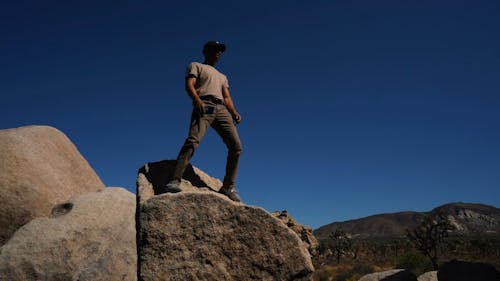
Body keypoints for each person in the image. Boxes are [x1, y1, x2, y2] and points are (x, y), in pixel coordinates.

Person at [165, 41, 243, 202]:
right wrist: (197, 100)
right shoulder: (195, 65)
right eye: (215, 50)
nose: (218, 53)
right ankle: (175, 180)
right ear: (206, 51)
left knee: (236, 146)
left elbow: (227, 97)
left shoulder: (222, 76)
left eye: (220, 51)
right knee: (193, 140)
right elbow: (189, 84)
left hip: (222, 109)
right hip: (204, 104)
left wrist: (234, 112)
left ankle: (228, 186)